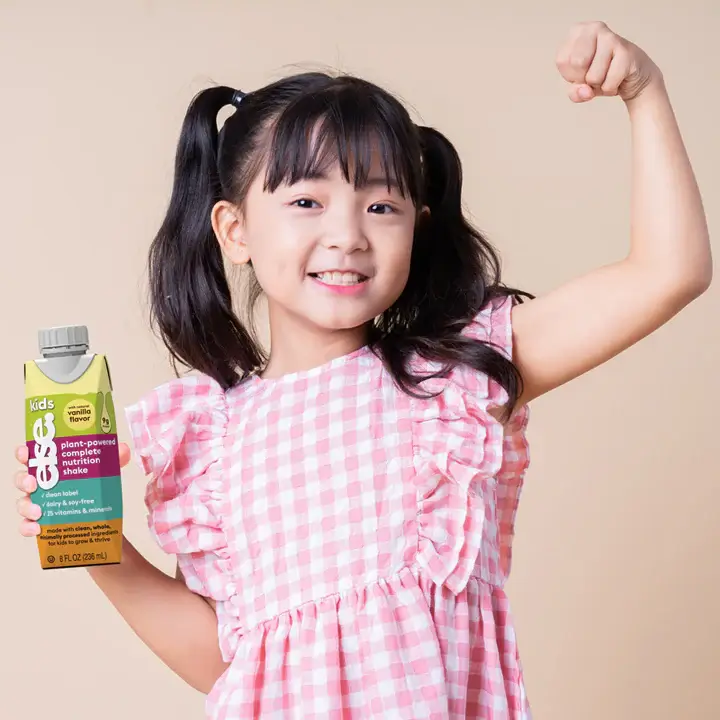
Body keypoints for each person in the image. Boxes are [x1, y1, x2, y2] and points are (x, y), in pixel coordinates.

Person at [14, 21, 711, 720]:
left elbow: (668, 271)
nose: (347, 234)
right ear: (236, 231)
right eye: (306, 202)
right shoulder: (212, 439)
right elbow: (226, 663)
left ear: (417, 226)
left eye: (381, 206)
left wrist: (644, 92)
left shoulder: (453, 381)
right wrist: (92, 545)